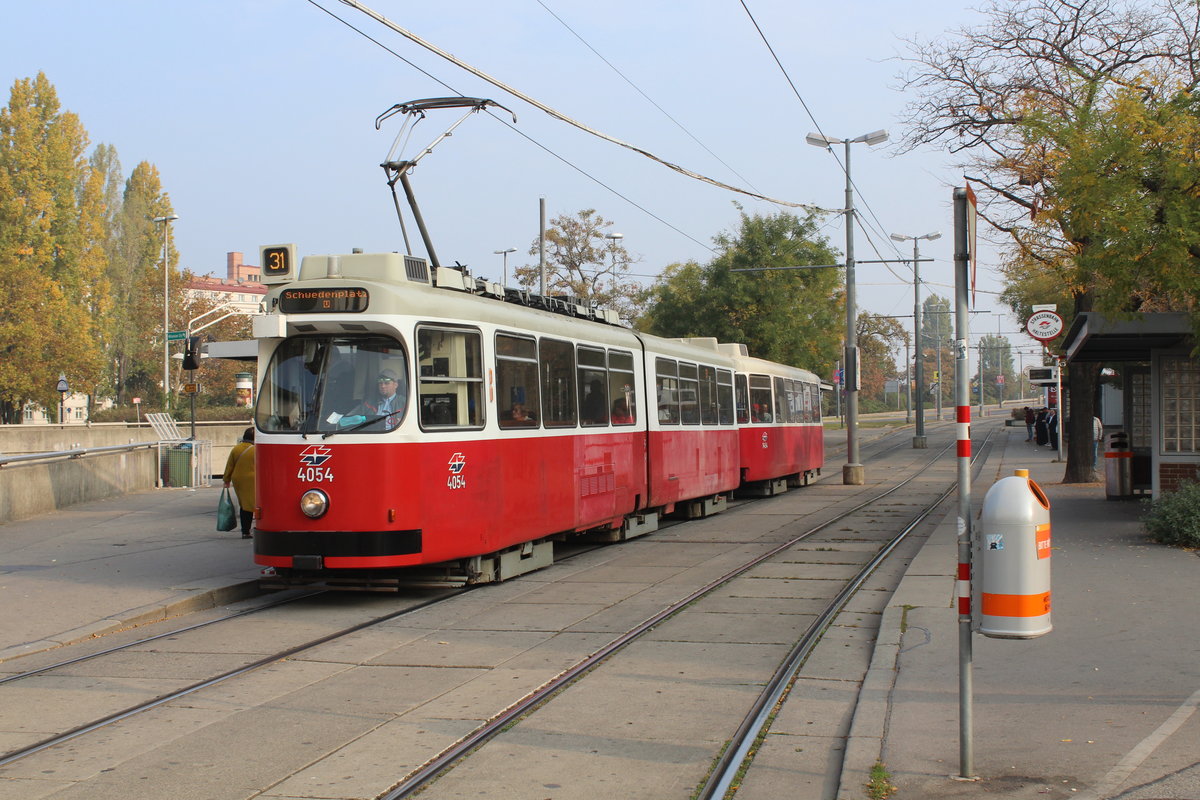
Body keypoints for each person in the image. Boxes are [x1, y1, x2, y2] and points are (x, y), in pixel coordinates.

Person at [222, 428, 255, 539]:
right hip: (254, 480)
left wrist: (226, 480)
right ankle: (252, 530)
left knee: (244, 505)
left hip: (238, 480)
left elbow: (229, 466)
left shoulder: (236, 449)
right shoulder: (257, 449)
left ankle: (245, 531)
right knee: (254, 505)